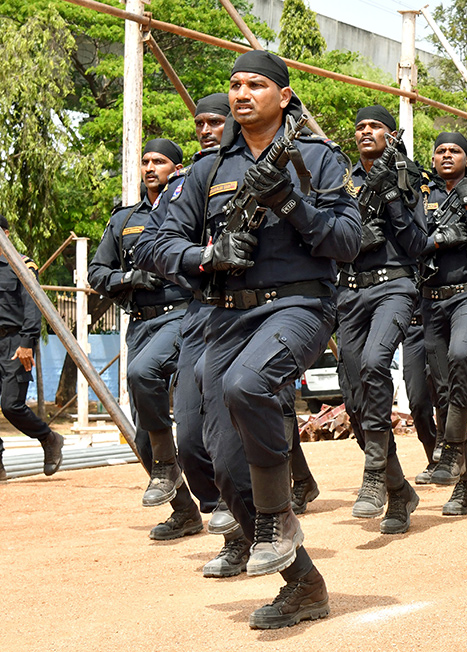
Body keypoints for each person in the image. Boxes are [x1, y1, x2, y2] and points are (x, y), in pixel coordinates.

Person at [156, 50, 360, 628]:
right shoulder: (205, 170)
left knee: (251, 384)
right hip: (225, 315)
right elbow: (155, 242)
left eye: (257, 85)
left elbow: (347, 239)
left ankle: (278, 517)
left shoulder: (317, 159)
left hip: (298, 303)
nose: (242, 94)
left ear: (285, 96)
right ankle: (304, 585)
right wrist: (205, 255)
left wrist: (292, 205)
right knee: (221, 466)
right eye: (235, 85)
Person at [134, 93, 244, 572]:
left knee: (231, 437)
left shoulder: (263, 168)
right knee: (194, 440)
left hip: (254, 314)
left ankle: (251, 530)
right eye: (199, 122)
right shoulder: (191, 183)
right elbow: (154, 244)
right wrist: (201, 256)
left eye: (215, 122)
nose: (205, 129)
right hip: (200, 310)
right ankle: (223, 514)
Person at [89, 137, 212, 542]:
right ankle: (184, 511)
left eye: (159, 161)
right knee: (142, 433)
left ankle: (223, 498)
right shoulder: (124, 220)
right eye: (145, 161)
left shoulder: (191, 210)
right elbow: (97, 272)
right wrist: (128, 278)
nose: (150, 167)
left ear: (176, 168)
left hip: (183, 315)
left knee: (152, 379)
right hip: (140, 323)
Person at [338, 105, 423, 534]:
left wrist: (391, 199)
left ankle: (374, 474)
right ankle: (399, 490)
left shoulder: (406, 175)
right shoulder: (343, 179)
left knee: (375, 363)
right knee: (354, 397)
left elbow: (418, 243)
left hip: (394, 285)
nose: (365, 132)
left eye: (374, 126)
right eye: (360, 127)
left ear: (391, 135)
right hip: (350, 290)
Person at [411, 131, 467, 516]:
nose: (446, 155)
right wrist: (438, 240)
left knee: (462, 356)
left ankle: (452, 452)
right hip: (431, 301)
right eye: (440, 150)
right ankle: (465, 485)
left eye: (455, 150)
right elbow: (411, 240)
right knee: (441, 389)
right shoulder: (422, 196)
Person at [0, 215, 64, 481]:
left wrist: (27, 343)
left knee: (11, 404)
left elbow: (32, 304)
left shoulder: (21, 264)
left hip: (15, 343)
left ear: (5, 232)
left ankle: (49, 438)